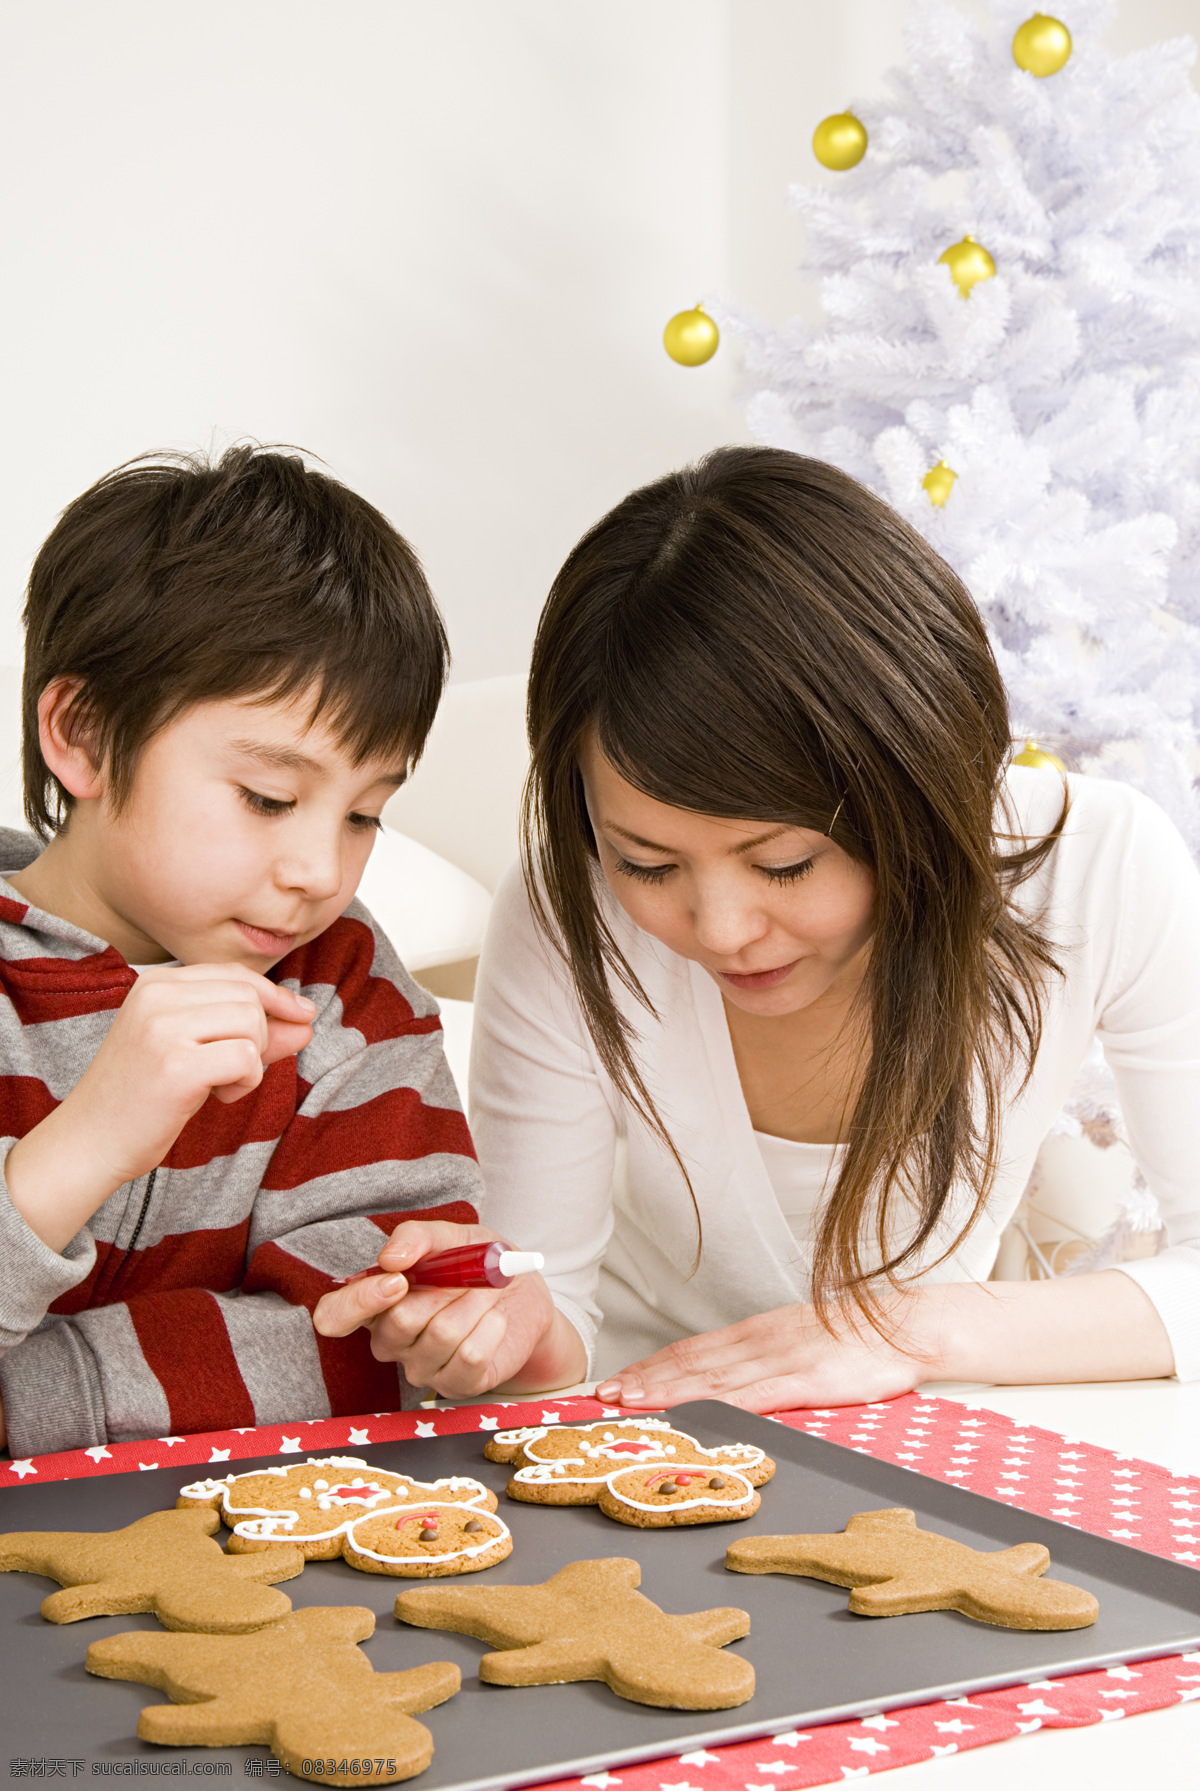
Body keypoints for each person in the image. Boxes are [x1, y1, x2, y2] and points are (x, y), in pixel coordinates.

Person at [315, 447, 1200, 1413]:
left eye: (784, 863)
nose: (723, 929)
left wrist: (904, 1327)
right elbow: (550, 1307)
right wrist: (499, 1336)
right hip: (640, 1430)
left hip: (931, 1435)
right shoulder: (574, 906)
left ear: (917, 789)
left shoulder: (1097, 866)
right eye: (648, 863)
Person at [0, 445, 483, 1461]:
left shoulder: (345, 991)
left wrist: (30, 1395)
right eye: (267, 798)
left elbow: (378, 1354)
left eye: (364, 815)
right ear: (82, 733)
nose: (318, 869)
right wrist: (85, 1144)